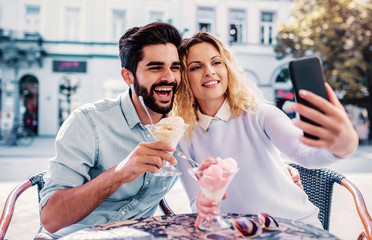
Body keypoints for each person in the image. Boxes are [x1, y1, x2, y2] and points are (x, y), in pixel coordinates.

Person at [173, 32, 358, 228]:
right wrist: (203, 205)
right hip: (238, 233)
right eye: (195, 67)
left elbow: (305, 154)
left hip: (293, 227)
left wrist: (342, 146)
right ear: (184, 78)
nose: (209, 71)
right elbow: (196, 201)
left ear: (228, 68)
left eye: (216, 62)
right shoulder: (183, 137)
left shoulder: (260, 114)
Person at [38, 22, 182, 238]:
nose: (169, 77)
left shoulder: (180, 128)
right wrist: (121, 173)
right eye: (155, 67)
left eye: (175, 67)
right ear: (128, 76)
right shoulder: (88, 122)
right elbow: (51, 218)